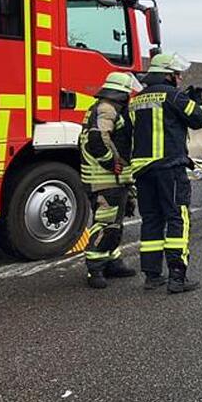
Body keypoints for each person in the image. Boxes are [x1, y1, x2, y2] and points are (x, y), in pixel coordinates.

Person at [130, 53, 202, 293]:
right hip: (169, 168)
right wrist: (197, 101)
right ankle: (177, 276)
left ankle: (152, 275)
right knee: (177, 217)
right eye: (177, 74)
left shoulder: (136, 99)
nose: (180, 77)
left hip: (143, 169)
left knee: (152, 220)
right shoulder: (173, 95)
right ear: (168, 74)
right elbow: (199, 119)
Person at [79, 72, 143, 289]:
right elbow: (98, 140)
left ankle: (112, 260)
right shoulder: (107, 109)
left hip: (111, 178)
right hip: (104, 179)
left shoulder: (106, 107)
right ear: (121, 92)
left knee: (115, 221)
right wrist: (113, 162)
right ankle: (95, 267)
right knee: (105, 222)